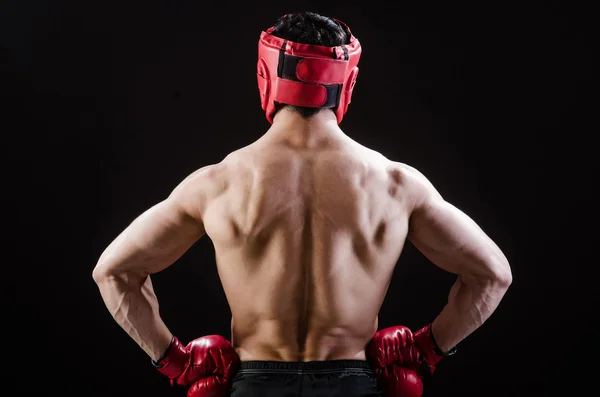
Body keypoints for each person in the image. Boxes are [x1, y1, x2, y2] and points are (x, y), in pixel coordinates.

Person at [92, 11, 512, 397]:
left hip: (254, 385)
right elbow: (492, 274)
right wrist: (425, 351)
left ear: (264, 76)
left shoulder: (217, 183)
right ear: (347, 83)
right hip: (355, 385)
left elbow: (114, 271)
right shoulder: (395, 184)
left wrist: (177, 364)